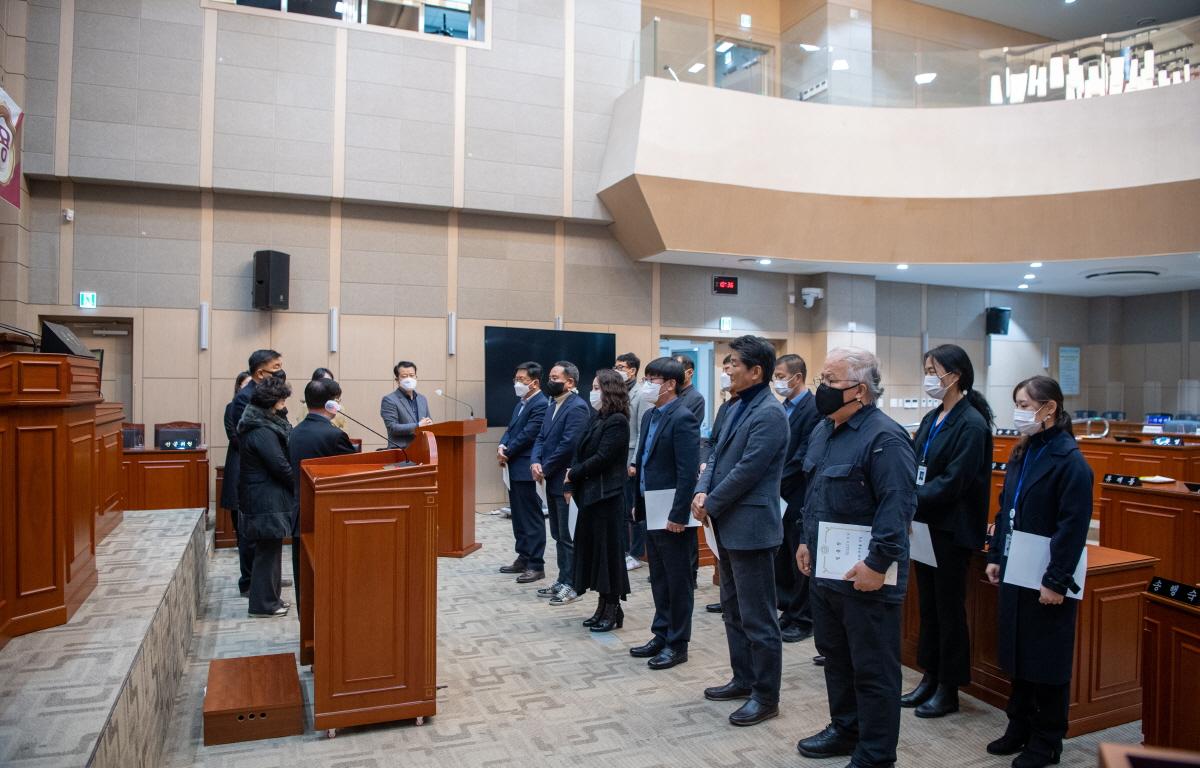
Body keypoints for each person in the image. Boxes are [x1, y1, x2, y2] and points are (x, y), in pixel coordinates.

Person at [794, 347, 916, 768]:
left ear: (860, 391)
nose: (821, 390)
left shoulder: (885, 437)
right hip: (827, 570)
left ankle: (877, 754)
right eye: (821, 381)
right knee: (836, 657)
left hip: (866, 575)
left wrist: (878, 565)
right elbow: (815, 493)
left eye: (830, 382)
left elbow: (896, 508)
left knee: (874, 670)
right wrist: (805, 540)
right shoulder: (825, 429)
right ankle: (846, 730)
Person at [985, 376, 1090, 768]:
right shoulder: (1022, 452)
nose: (1020, 411)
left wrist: (1055, 579)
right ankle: (1019, 726)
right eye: (1017, 403)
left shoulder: (1070, 461)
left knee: (1046, 658)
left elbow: (1073, 527)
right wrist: (995, 554)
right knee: (1018, 651)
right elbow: (1003, 509)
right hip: (1016, 568)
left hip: (1047, 574)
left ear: (1050, 409)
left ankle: (1047, 740)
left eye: (1026, 405)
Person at [692, 335, 789, 728]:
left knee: (758, 616)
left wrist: (710, 501)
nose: (726, 369)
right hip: (726, 524)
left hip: (751, 526)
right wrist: (701, 490)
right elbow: (715, 453)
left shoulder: (770, 413)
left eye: (733, 363)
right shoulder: (733, 405)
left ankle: (766, 696)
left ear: (756, 371)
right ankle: (743, 678)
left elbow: (749, 470)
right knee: (732, 609)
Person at [902, 344, 994, 719]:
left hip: (951, 531)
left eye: (932, 370)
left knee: (949, 610)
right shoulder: (933, 417)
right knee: (929, 607)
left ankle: (949, 687)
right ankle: (930, 675)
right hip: (926, 527)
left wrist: (910, 500)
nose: (927, 377)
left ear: (954, 376)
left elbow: (954, 482)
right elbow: (914, 460)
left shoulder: (971, 423)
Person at [629, 357, 700, 669]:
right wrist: (637, 501)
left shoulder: (683, 418)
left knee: (678, 579)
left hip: (672, 513)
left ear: (670, 384)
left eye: (653, 379)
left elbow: (687, 474)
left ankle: (678, 642)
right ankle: (661, 633)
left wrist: (679, 514)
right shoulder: (650, 417)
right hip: (650, 506)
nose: (647, 385)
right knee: (658, 576)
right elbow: (642, 462)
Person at [565, 369, 632, 632]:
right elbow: (580, 451)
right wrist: (573, 476)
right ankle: (603, 606)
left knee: (608, 556)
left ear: (610, 390)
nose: (592, 392)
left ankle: (612, 608)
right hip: (591, 496)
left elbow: (603, 457)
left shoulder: (617, 421)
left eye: (596, 387)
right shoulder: (597, 418)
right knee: (595, 553)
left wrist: (574, 473)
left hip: (607, 497)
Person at [287, 377, 356, 615]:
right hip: (329, 518)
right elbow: (352, 477)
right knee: (327, 578)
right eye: (338, 400)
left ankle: (306, 626)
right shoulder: (335, 436)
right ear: (330, 405)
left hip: (300, 515)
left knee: (304, 581)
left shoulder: (294, 433)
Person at [530, 361, 591, 606]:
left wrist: (545, 466)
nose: (550, 381)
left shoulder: (577, 407)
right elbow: (541, 437)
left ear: (570, 382)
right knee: (557, 533)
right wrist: (535, 461)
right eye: (550, 376)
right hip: (549, 479)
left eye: (556, 377)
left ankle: (573, 584)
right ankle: (562, 578)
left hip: (564, 480)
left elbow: (569, 445)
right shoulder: (551, 404)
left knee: (567, 536)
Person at [225, 350, 286, 596]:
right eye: (277, 366)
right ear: (260, 372)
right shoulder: (245, 397)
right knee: (251, 535)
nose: (281, 371)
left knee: (267, 536)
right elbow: (247, 437)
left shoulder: (269, 395)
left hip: (267, 470)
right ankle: (250, 583)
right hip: (252, 473)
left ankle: (266, 582)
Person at [237, 374, 295, 618]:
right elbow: (279, 465)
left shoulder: (263, 424)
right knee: (266, 553)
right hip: (264, 498)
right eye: (281, 402)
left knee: (270, 549)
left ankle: (271, 600)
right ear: (272, 402)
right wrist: (298, 483)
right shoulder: (262, 430)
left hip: (265, 496)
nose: (284, 407)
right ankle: (263, 604)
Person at [773, 353, 820, 644]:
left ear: (797, 377)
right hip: (778, 494)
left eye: (780, 376)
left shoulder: (813, 408)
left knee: (799, 557)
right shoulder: (782, 408)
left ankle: (803, 617)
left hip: (798, 492)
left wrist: (773, 480)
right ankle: (788, 610)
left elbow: (804, 455)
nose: (777, 382)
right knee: (782, 556)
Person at [497, 361, 549, 583]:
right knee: (518, 516)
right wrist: (501, 444)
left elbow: (529, 434)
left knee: (531, 516)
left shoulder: (541, 403)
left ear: (535, 382)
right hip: (513, 466)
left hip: (527, 466)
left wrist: (507, 451)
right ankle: (523, 557)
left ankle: (536, 564)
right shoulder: (521, 403)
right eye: (516, 379)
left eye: (522, 380)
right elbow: (511, 430)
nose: (517, 383)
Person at [702, 353, 734, 615]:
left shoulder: (767, 411)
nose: (727, 374)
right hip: (715, 481)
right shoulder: (725, 407)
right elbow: (713, 443)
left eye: (731, 368)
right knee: (720, 551)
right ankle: (726, 598)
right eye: (724, 369)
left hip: (733, 492)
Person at [616, 352, 647, 572]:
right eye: (615, 366)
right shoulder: (619, 392)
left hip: (631, 458)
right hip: (618, 458)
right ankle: (624, 550)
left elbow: (642, 432)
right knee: (621, 509)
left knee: (632, 509)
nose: (617, 369)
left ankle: (635, 553)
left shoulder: (641, 395)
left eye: (621, 366)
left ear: (632, 370)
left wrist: (635, 463)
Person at [222, 371, 253, 592]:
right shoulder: (232, 408)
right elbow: (235, 437)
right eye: (247, 385)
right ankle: (247, 580)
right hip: (239, 465)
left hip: (253, 470)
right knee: (242, 528)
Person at [381, 360, 432, 449]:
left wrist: (430, 424)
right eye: (404, 376)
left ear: (416, 377)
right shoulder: (389, 400)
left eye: (412, 375)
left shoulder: (422, 399)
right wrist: (418, 425)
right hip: (401, 451)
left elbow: (428, 421)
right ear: (397, 380)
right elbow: (393, 428)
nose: (409, 379)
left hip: (423, 448)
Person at [671, 353, 707, 429]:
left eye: (676, 370)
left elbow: (687, 428)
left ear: (690, 372)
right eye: (671, 370)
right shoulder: (670, 394)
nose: (673, 375)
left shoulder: (696, 398)